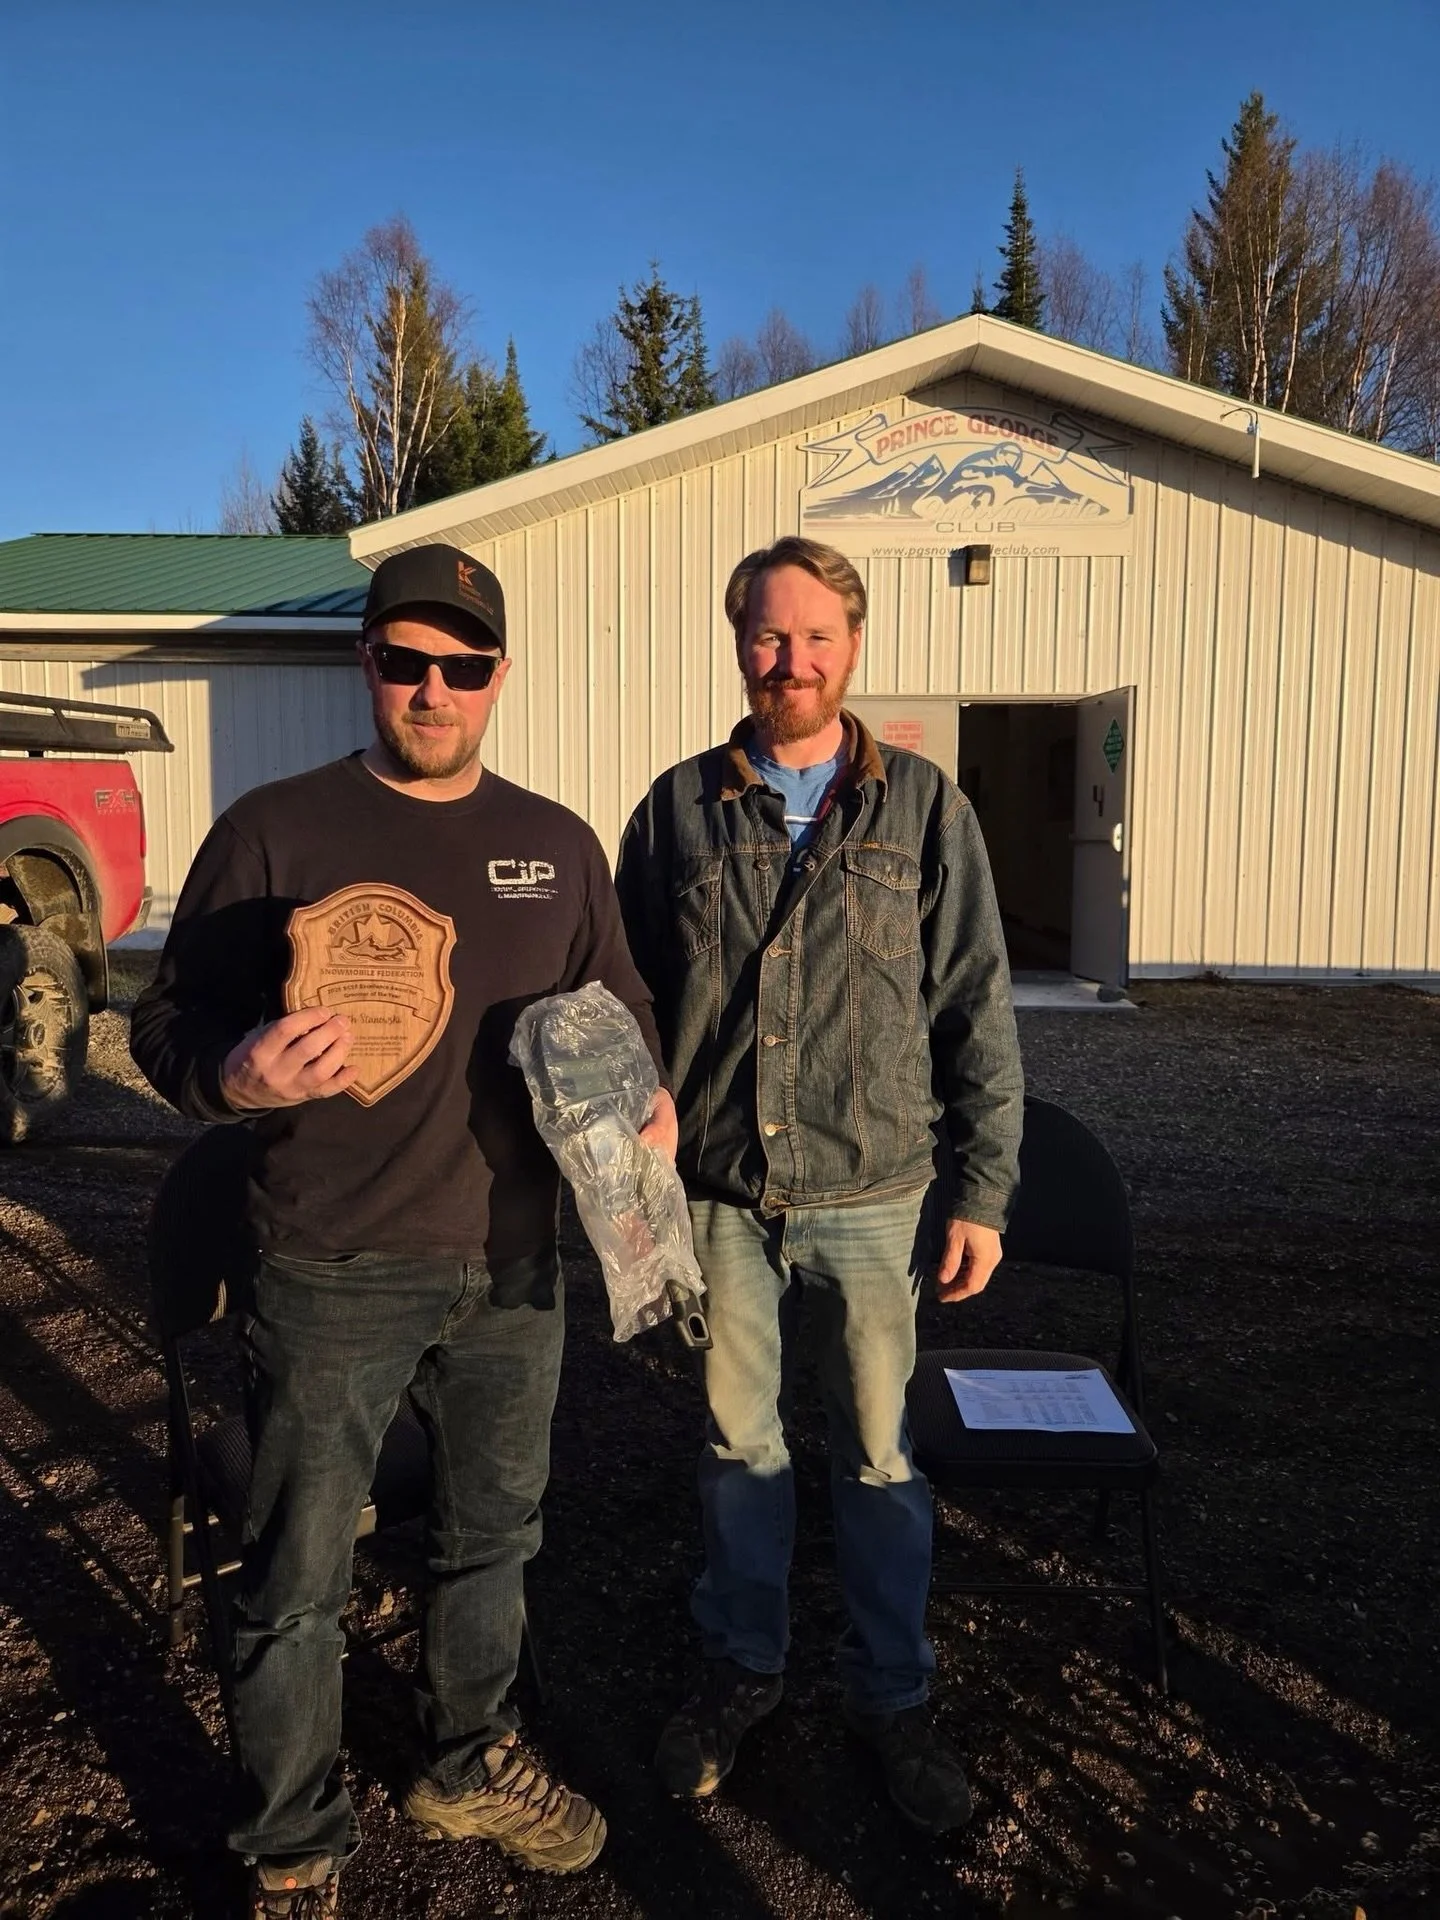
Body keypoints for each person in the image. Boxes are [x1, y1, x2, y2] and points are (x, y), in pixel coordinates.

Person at [132, 543, 676, 1919]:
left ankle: (462, 1756)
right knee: (299, 1577)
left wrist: (643, 1102)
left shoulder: (556, 846)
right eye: (405, 660)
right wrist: (236, 1075)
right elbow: (165, 1026)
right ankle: (292, 1840)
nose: (433, 689)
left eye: (464, 665)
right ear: (365, 663)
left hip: (512, 1267)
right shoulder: (273, 834)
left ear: (498, 674)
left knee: (492, 1541)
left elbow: (617, 1014)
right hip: (329, 1265)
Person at [615, 534, 1023, 1834]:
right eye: (766, 635)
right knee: (739, 1448)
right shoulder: (677, 811)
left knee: (880, 1457)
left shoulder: (925, 808)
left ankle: (892, 1694)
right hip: (723, 1200)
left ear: (853, 646)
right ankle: (743, 1669)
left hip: (873, 1193)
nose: (789, 660)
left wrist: (985, 1192)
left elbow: (977, 1008)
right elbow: (623, 1010)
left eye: (814, 637)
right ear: (737, 642)